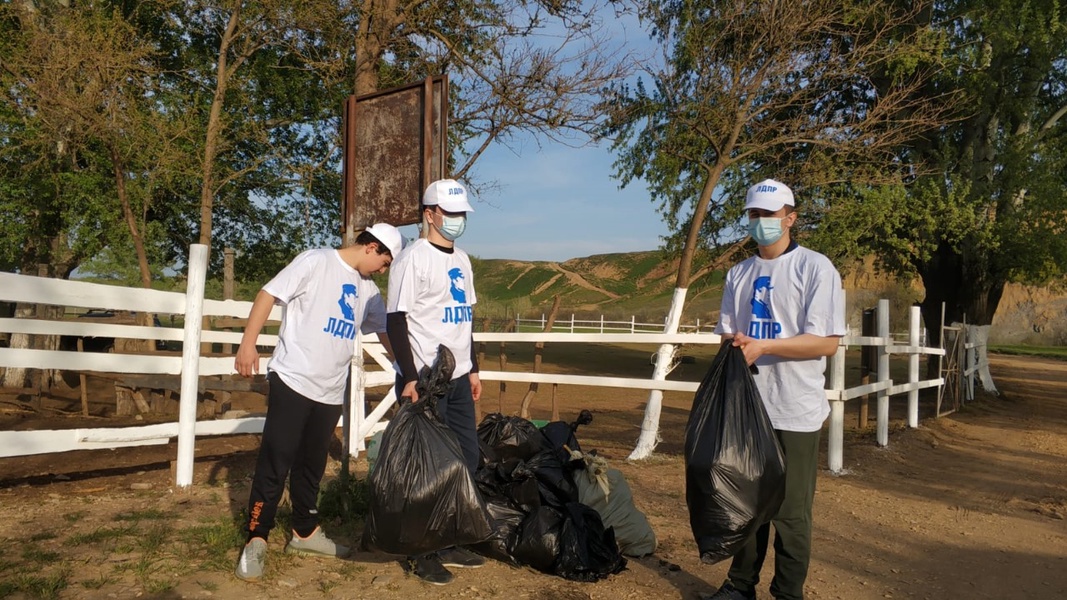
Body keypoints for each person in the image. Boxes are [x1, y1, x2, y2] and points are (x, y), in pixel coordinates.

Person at [233, 223, 403, 581]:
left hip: (329, 390)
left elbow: (384, 329)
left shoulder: (368, 291)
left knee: (311, 466)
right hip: (293, 379)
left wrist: (405, 365)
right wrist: (248, 343)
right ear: (371, 247)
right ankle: (257, 537)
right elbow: (268, 293)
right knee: (276, 460)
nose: (383, 271)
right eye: (384, 262)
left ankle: (304, 532)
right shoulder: (315, 262)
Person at [708, 179, 846, 600]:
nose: (761, 222)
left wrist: (765, 346)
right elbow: (728, 335)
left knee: (790, 513)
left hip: (795, 410)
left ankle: (788, 593)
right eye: (754, 214)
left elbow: (827, 342)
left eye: (769, 214)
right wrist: (737, 349)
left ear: (791, 217)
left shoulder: (815, 268)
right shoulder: (740, 273)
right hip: (748, 409)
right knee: (745, 503)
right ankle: (738, 586)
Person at [386, 178, 485, 585]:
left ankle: (447, 540)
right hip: (425, 379)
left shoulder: (462, 259)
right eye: (452, 213)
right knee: (425, 470)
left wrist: (473, 365)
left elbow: (466, 318)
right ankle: (421, 551)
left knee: (466, 459)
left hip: (459, 378)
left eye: (462, 214)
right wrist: (409, 377)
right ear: (430, 214)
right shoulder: (413, 259)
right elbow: (396, 320)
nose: (459, 220)